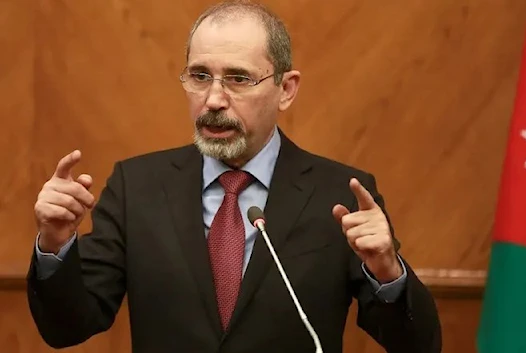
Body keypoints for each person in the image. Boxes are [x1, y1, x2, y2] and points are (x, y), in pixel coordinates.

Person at [26, 1, 441, 352]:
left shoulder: (339, 193)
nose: (214, 99)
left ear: (286, 89)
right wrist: (56, 244)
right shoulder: (137, 187)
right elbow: (67, 328)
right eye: (200, 75)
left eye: (239, 79)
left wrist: (387, 271)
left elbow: (417, 344)